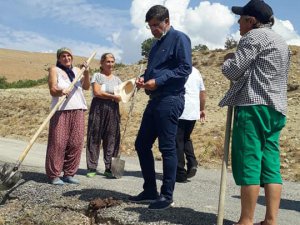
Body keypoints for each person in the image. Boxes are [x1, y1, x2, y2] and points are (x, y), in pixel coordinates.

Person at [219, 1, 290, 224]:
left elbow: (234, 70)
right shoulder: (281, 42)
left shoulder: (252, 37)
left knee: (248, 162)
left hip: (253, 107)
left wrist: (227, 60)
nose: (238, 23)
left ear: (251, 21)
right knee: (271, 165)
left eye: (241, 19)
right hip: (276, 109)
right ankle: (270, 220)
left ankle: (246, 220)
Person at [128, 5, 192, 210]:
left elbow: (185, 68)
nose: (153, 29)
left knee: (167, 148)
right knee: (141, 144)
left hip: (171, 98)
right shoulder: (155, 46)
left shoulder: (180, 38)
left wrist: (159, 80)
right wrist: (144, 79)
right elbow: (153, 71)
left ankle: (167, 196)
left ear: (167, 21)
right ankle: (149, 190)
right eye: (150, 26)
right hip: (154, 99)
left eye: (156, 25)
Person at [45, 47, 90, 185]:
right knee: (58, 142)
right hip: (60, 110)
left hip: (78, 109)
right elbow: (53, 89)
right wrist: (61, 91)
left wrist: (86, 73)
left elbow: (87, 87)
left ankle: (69, 173)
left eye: (69, 55)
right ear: (59, 58)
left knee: (75, 143)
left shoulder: (77, 71)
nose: (66, 58)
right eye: (63, 56)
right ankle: (54, 175)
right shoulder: (54, 69)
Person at [86, 53, 122, 178]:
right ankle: (92, 167)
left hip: (113, 110)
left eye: (112, 61)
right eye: (107, 61)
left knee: (111, 138)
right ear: (102, 63)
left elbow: (121, 95)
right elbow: (97, 92)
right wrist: (113, 96)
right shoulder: (97, 76)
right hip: (98, 108)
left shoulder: (117, 80)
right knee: (94, 137)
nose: (110, 64)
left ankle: (109, 168)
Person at [176, 66, 206, 183]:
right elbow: (202, 92)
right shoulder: (196, 71)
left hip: (180, 109)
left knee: (177, 141)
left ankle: (180, 173)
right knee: (186, 138)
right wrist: (202, 109)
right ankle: (192, 162)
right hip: (193, 111)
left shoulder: (177, 69)